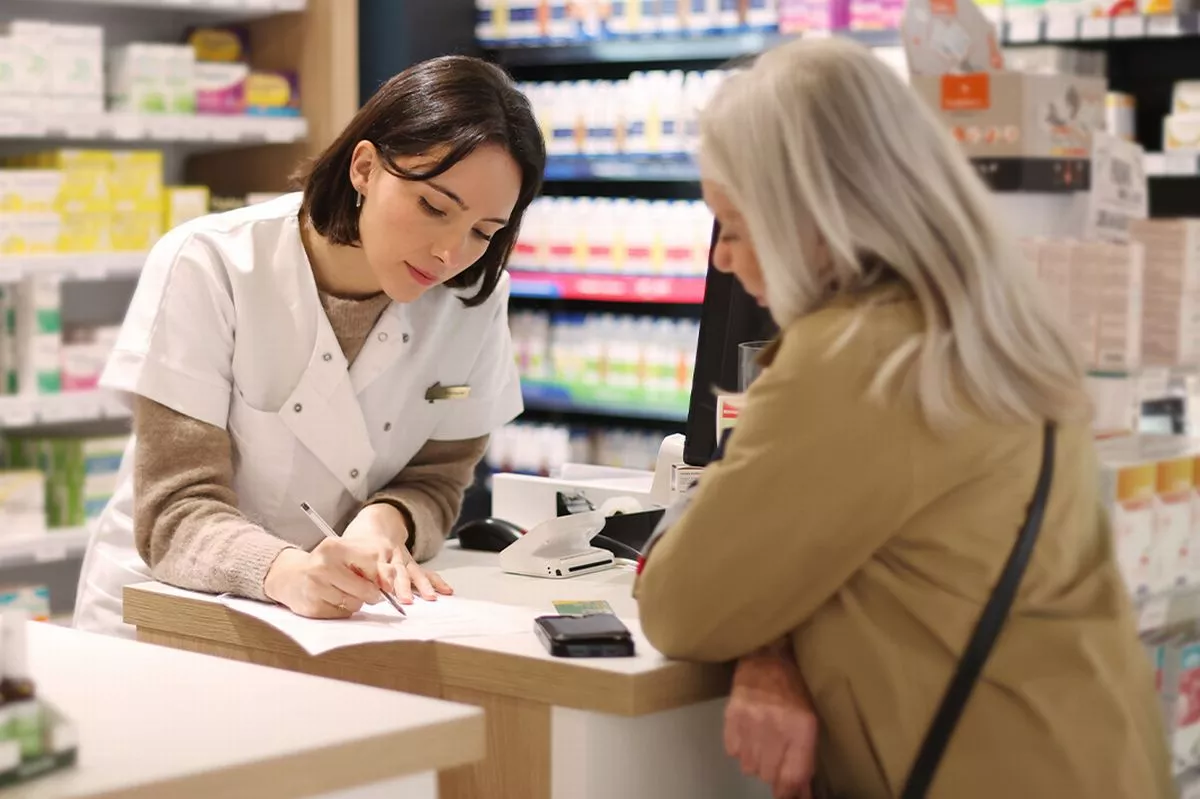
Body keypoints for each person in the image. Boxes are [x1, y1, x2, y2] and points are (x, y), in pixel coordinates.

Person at [634, 38, 1173, 799]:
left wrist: (756, 630)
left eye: (735, 225)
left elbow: (683, 602)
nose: (722, 259)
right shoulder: (979, 321)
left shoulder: (856, 358)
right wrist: (773, 645)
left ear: (806, 217)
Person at [73, 55, 545, 639]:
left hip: (342, 623)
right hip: (167, 612)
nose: (451, 253)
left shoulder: (474, 297)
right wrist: (285, 571)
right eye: (434, 207)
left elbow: (438, 481)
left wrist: (385, 523)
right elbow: (175, 509)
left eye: (484, 232)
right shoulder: (213, 260)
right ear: (366, 168)